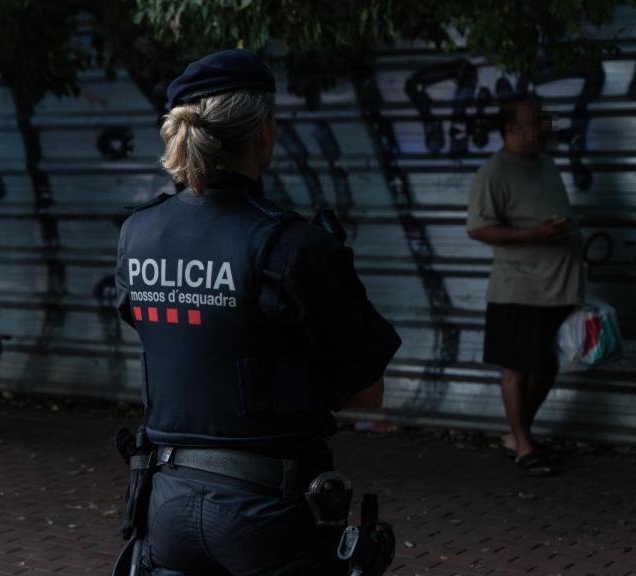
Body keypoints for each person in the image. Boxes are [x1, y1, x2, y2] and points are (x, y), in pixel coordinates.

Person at [114, 49, 402, 575]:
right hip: (269, 512)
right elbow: (369, 391)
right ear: (264, 129)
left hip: (166, 503)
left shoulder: (138, 234)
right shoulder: (294, 246)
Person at [467, 94, 585, 477]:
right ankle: (523, 446)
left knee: (547, 366)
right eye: (537, 122)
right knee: (516, 369)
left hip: (558, 287)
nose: (546, 128)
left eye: (546, 120)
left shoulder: (546, 164)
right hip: (519, 288)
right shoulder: (494, 172)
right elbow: (478, 227)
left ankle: (518, 435)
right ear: (510, 130)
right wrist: (534, 234)